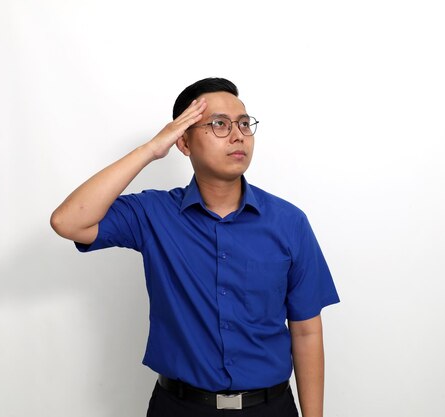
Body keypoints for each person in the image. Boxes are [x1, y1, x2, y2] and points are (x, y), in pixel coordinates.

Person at [50, 77, 340, 416]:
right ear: (183, 141)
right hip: (179, 407)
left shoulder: (289, 222)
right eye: (219, 124)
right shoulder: (154, 214)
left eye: (244, 124)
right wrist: (150, 150)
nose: (238, 136)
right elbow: (67, 222)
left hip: (269, 407)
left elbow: (306, 332)